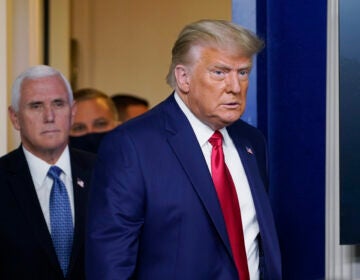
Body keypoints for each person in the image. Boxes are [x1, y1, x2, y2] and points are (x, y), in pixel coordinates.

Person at [86, 19, 282, 280]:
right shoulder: (131, 146)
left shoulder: (252, 142)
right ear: (183, 78)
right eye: (220, 72)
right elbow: (110, 264)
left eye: (243, 72)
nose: (235, 87)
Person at [0, 65, 96, 279]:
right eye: (36, 106)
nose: (49, 116)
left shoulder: (105, 173)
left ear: (72, 112)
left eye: (58, 104)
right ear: (15, 117)